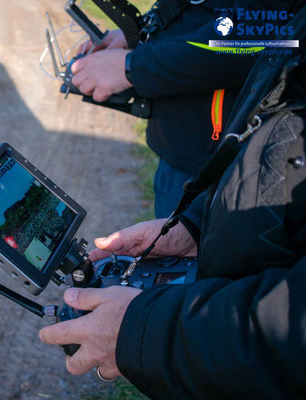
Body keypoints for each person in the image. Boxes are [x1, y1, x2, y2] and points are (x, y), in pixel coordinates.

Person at [39, 8, 306, 399]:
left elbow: (251, 31)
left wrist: (141, 332)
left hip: (207, 158)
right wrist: (199, 224)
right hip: (221, 192)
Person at [72, 0, 304, 223]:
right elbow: (204, 9)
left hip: (215, 162)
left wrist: (131, 67)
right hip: (182, 144)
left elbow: (250, 35)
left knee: (189, 256)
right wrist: (145, 30)